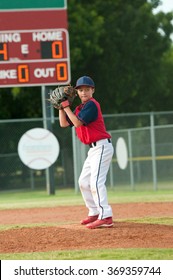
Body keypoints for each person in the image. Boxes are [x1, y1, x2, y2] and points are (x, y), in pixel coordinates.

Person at [58, 76, 114, 229]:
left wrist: (66, 106)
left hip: (102, 147)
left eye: (87, 89)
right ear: (77, 92)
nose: (83, 92)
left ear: (92, 91)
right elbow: (64, 124)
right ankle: (94, 212)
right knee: (83, 182)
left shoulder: (92, 105)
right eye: (80, 90)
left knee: (95, 182)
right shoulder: (79, 108)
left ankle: (106, 216)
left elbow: (77, 123)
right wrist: (61, 108)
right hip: (94, 149)